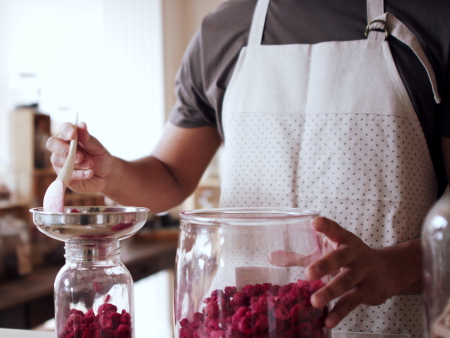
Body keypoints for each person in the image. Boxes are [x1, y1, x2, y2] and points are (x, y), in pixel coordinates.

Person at [46, 0, 450, 336]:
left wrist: (392, 268)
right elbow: (170, 177)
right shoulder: (224, 31)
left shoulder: (431, 17)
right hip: (242, 323)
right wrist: (110, 173)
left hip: (393, 322)